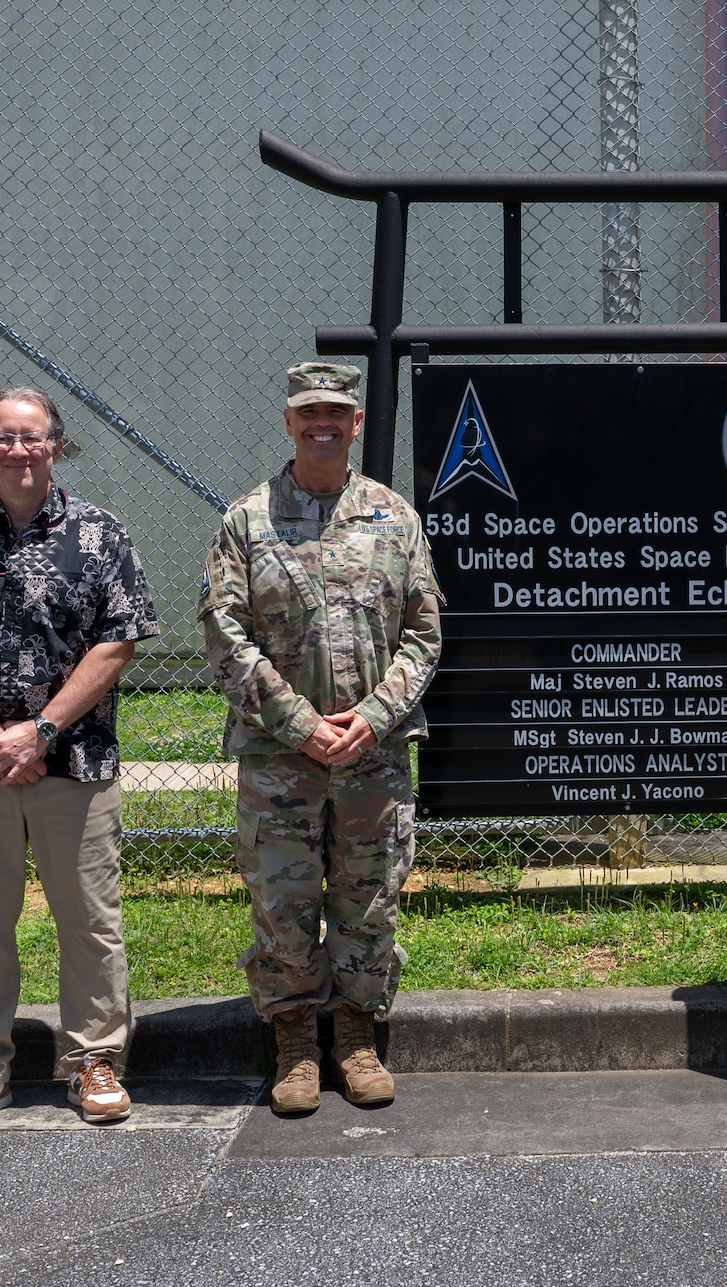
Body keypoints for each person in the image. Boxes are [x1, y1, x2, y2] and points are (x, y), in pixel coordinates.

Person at [0, 386, 159, 1130]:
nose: (19, 449)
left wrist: (40, 731)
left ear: (56, 445)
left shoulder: (99, 533)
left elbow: (119, 641)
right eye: (4, 436)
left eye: (33, 437)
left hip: (72, 762)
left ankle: (93, 1061)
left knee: (89, 918)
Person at [200, 361, 441, 1113]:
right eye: (308, 413)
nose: (322, 423)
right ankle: (297, 1041)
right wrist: (301, 726)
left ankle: (357, 1035)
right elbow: (222, 633)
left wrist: (369, 719)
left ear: (357, 422)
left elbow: (425, 634)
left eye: (336, 411)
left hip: (373, 756)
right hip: (280, 760)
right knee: (283, 899)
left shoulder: (393, 518)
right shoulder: (248, 520)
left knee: (370, 897)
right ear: (289, 422)